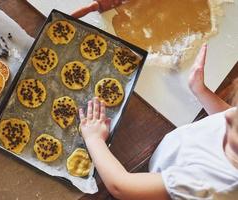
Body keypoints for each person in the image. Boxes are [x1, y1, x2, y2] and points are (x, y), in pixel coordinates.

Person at [78, 45, 238, 200]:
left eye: (232, 124)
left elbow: (120, 187)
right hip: (168, 162)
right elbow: (224, 115)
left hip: (159, 186)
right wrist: (200, 90)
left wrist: (94, 138)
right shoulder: (232, 121)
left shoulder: (207, 185)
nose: (228, 116)